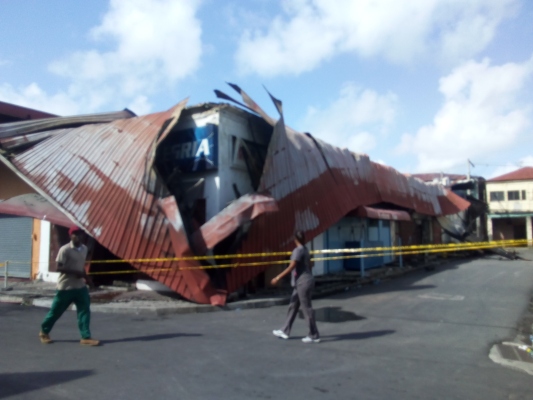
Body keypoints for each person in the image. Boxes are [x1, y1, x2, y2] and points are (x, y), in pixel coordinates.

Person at [39, 227, 99, 346]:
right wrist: (76, 273)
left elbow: (81, 267)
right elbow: (59, 268)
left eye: (80, 234)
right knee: (56, 311)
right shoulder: (65, 250)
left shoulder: (84, 249)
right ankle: (44, 332)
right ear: (70, 236)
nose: (78, 236)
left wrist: (88, 280)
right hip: (65, 287)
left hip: (80, 287)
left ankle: (85, 336)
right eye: (75, 234)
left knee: (84, 310)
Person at [271, 230, 320, 343]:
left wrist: (277, 278)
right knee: (293, 306)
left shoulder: (298, 250)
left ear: (295, 239)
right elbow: (311, 264)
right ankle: (285, 331)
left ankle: (314, 335)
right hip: (303, 282)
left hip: (303, 283)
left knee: (306, 308)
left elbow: (291, 267)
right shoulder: (306, 249)